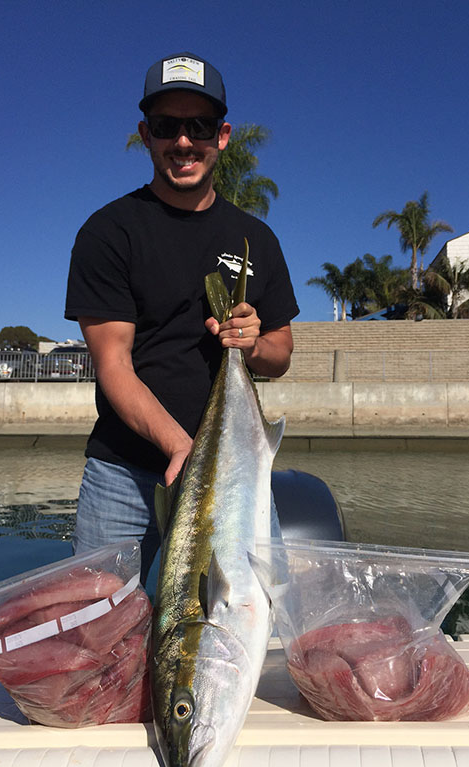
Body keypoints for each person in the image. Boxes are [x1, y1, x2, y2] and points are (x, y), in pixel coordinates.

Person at [65, 52, 299, 581]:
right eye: (169, 126)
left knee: (252, 615)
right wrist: (181, 448)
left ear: (223, 135)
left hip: (235, 471)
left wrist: (252, 343)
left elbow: (280, 354)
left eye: (199, 125)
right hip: (122, 471)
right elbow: (113, 364)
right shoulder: (109, 233)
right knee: (98, 633)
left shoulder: (257, 239)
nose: (184, 141)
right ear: (146, 134)